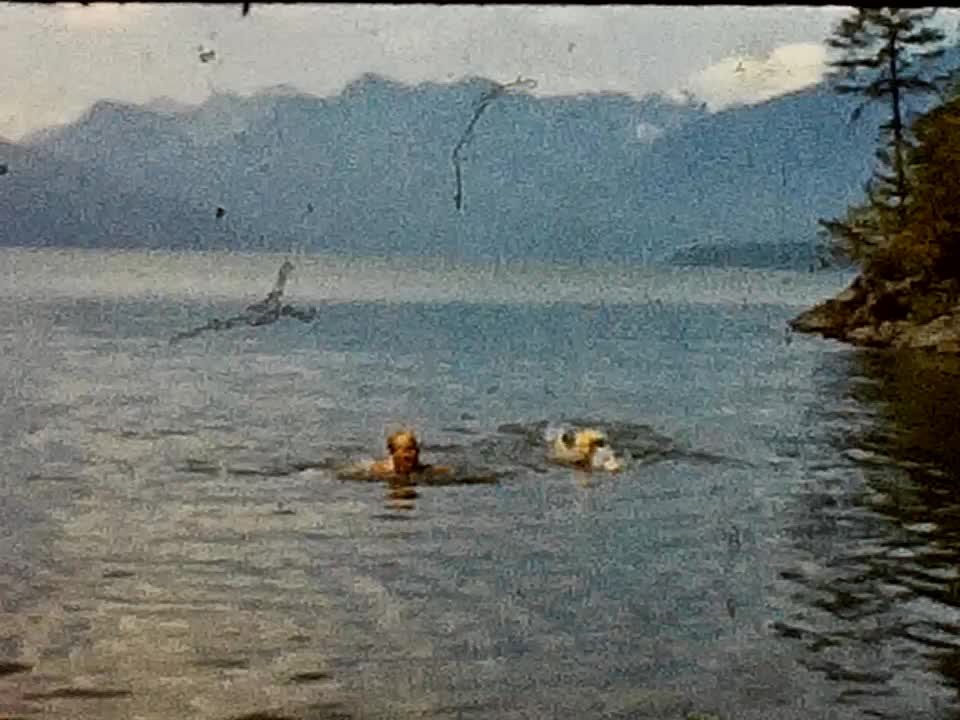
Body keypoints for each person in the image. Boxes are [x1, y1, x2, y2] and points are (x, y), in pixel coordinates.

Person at [370, 429, 450, 478]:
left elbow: (445, 471)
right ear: (392, 452)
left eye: (413, 449)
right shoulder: (380, 470)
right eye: (405, 450)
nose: (410, 454)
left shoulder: (425, 470)